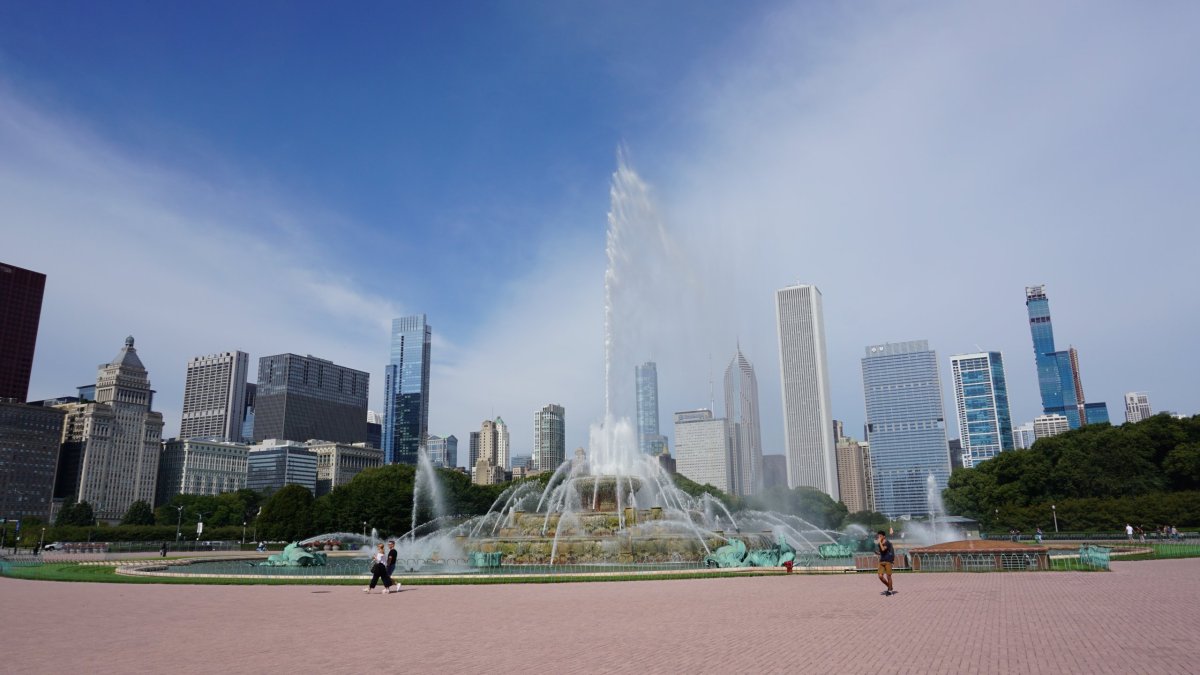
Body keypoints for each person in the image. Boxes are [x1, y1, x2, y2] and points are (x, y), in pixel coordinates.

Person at [875, 530, 895, 596]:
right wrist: (877, 553)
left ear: (884, 536)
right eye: (878, 536)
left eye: (880, 536)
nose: (879, 537)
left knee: (888, 576)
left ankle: (890, 591)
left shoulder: (887, 542)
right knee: (880, 576)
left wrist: (880, 543)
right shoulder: (879, 543)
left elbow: (883, 549)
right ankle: (890, 587)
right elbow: (882, 552)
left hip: (888, 561)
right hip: (882, 560)